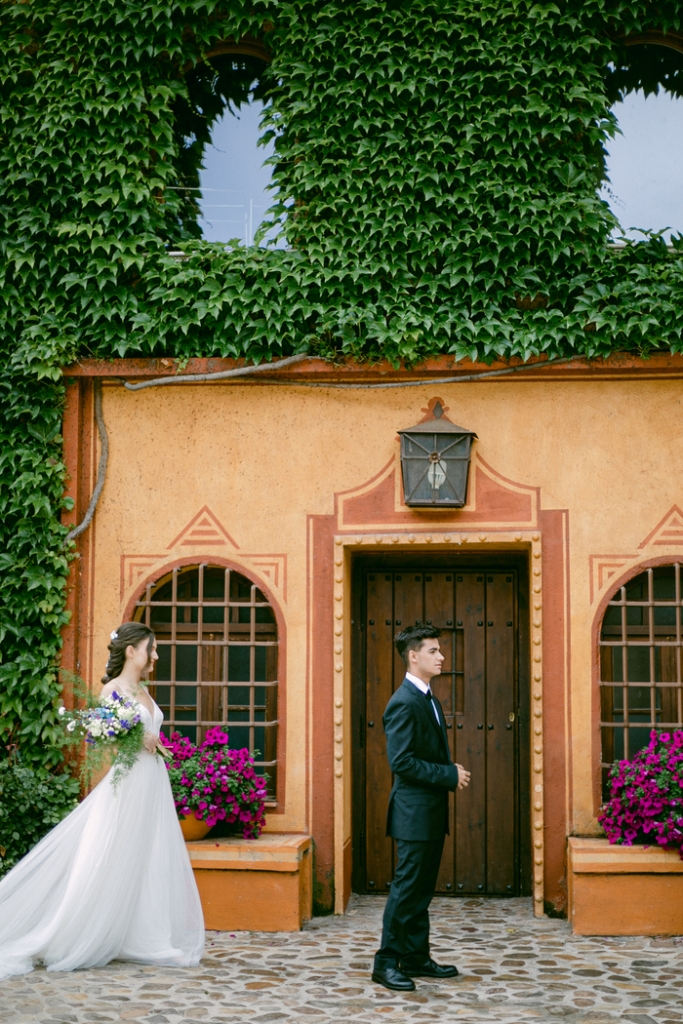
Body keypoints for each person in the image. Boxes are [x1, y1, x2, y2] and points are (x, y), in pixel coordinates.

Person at [0, 622, 204, 980]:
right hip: (128, 784)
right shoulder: (114, 690)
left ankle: (144, 936)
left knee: (148, 855)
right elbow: (105, 739)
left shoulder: (141, 689)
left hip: (152, 783)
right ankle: (80, 931)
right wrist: (135, 740)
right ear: (131, 650)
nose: (155, 655)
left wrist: (154, 744)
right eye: (150, 648)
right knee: (111, 854)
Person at [372, 623, 471, 992]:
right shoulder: (402, 702)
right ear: (413, 656)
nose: (441, 656)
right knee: (406, 888)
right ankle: (386, 962)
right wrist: (448, 775)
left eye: (439, 650)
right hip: (413, 814)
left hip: (429, 814)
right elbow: (402, 761)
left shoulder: (430, 698)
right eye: (433, 650)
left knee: (421, 890)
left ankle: (415, 957)